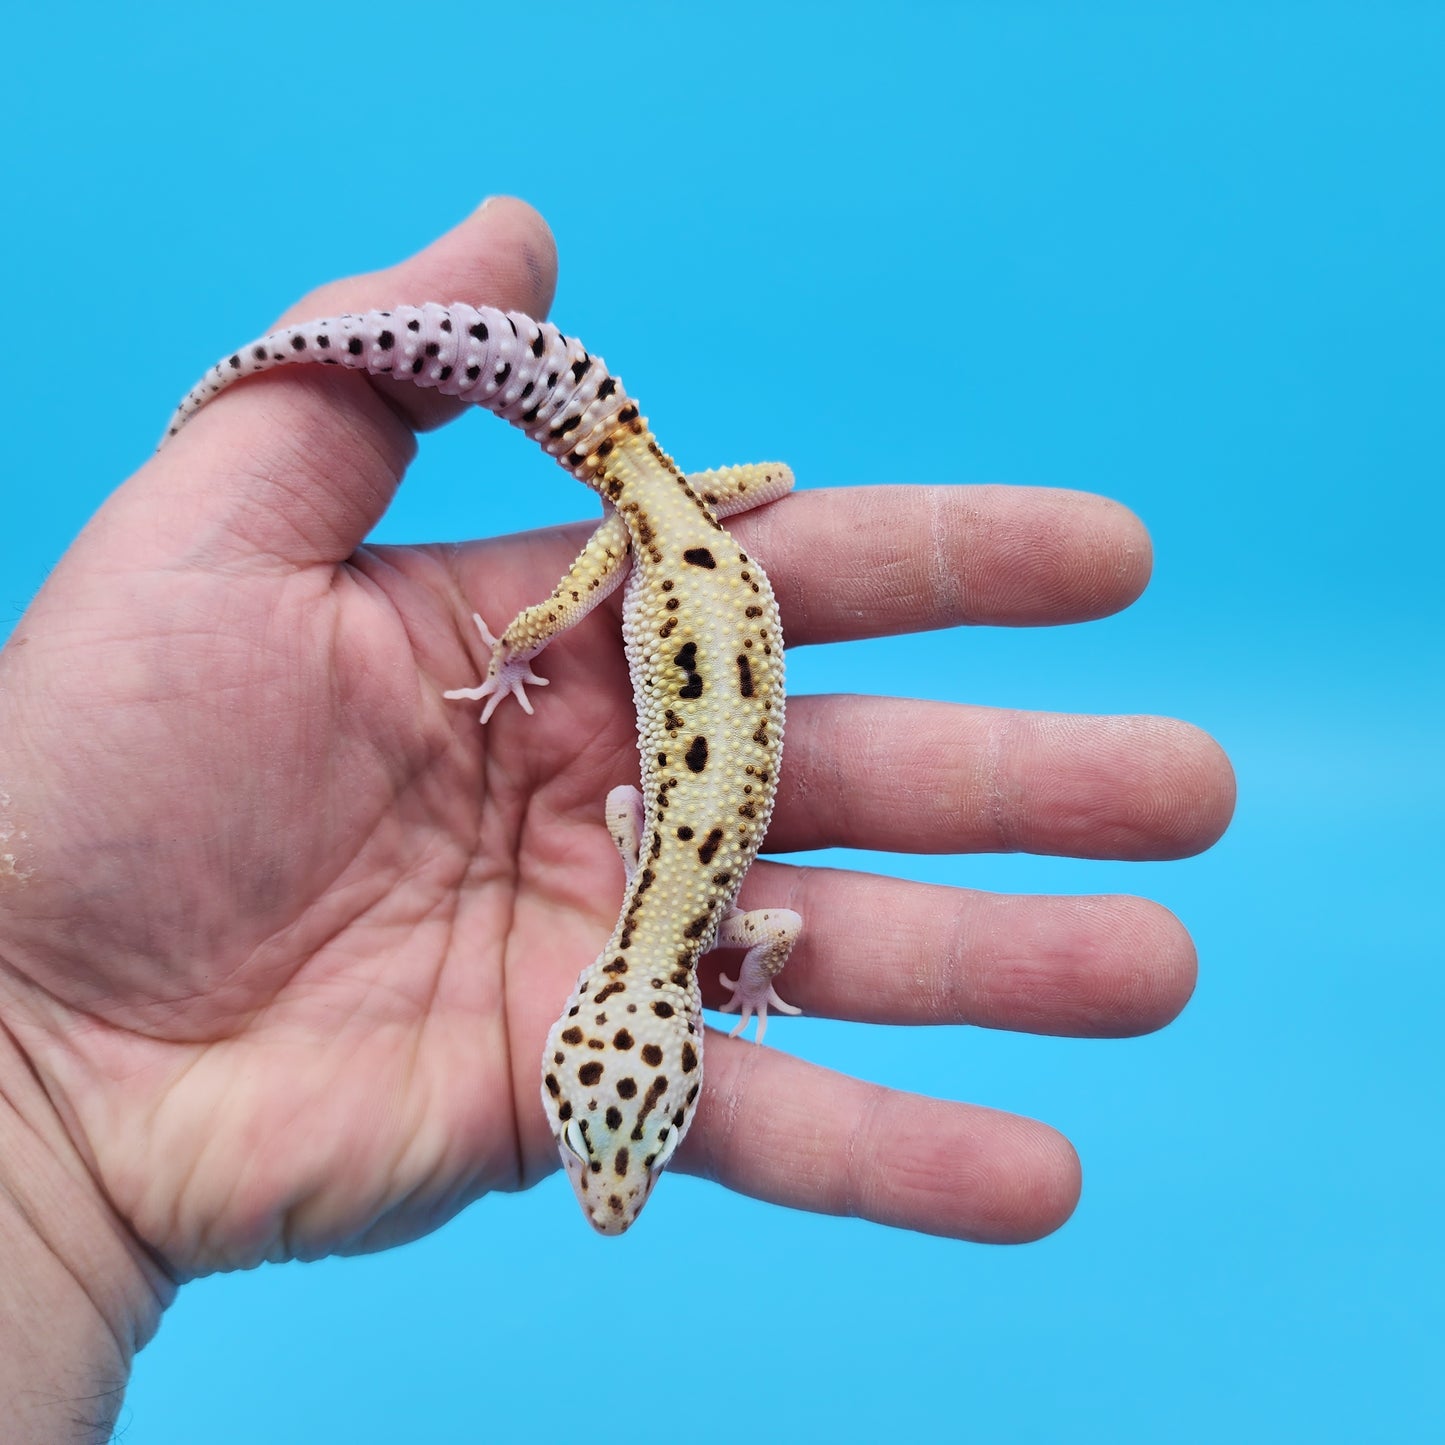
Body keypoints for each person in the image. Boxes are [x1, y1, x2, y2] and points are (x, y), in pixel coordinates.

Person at [0, 198, 1234, 1440]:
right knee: (724, 515)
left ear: (588, 1028)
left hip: (676, 528)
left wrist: (745, 972)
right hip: (665, 525)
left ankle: (519, 633)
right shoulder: (648, 877)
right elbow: (629, 804)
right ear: (602, 1023)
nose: (610, 1181)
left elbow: (743, 893)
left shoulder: (715, 917)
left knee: (743, 499)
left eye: (602, 1141)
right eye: (626, 1141)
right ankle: (515, 641)